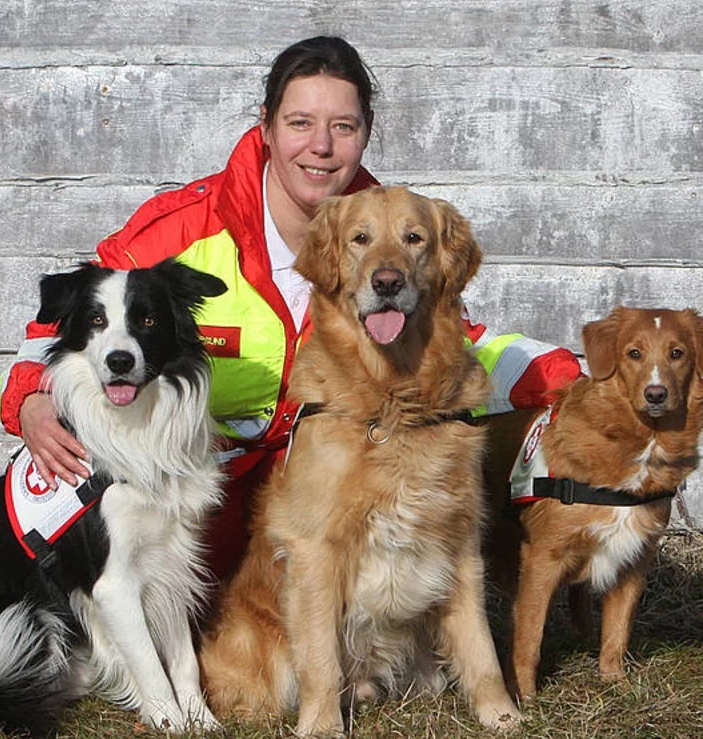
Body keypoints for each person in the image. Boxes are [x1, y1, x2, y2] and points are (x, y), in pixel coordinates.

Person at [0, 36, 581, 579]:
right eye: (300, 123)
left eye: (343, 126)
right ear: (268, 126)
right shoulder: (180, 231)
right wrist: (29, 398)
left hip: (320, 489)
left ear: (367, 132)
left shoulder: (391, 240)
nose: (321, 147)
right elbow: (62, 323)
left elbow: (458, 345)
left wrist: (577, 381)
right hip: (191, 488)